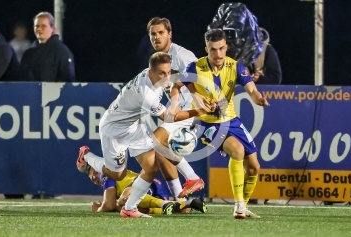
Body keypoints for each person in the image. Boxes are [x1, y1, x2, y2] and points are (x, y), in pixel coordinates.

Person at [76, 52, 214, 218]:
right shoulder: (146, 94)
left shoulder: (159, 74)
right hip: (113, 130)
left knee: (151, 167)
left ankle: (129, 209)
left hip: (134, 126)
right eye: (162, 73)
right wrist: (199, 110)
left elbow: (179, 76)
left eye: (168, 72)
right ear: (151, 72)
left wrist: (194, 95)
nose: (166, 76)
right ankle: (87, 156)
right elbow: (171, 118)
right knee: (117, 174)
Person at [173, 29, 269, 219]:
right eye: (213, 50)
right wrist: (194, 95)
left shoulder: (236, 67)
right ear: (206, 49)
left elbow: (252, 90)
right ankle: (239, 206)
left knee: (254, 167)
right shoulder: (195, 67)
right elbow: (176, 85)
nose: (218, 54)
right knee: (237, 150)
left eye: (221, 49)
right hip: (207, 124)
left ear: (226, 47)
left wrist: (257, 98)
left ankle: (245, 205)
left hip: (231, 120)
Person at [146, 17, 204, 200]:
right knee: (161, 151)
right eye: (153, 34)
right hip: (180, 113)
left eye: (161, 33)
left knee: (156, 140)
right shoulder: (159, 60)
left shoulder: (181, 55)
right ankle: (181, 200)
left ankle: (193, 177)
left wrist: (200, 102)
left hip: (192, 112)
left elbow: (201, 75)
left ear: (170, 34)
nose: (157, 37)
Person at [81, 164, 207, 214]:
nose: (94, 177)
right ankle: (189, 203)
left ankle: (164, 203)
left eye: (95, 173)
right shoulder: (111, 178)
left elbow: (109, 205)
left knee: (124, 201)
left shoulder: (105, 172)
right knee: (144, 209)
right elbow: (112, 205)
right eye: (92, 179)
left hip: (139, 185)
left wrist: (99, 208)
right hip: (149, 186)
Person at [18, 12, 75, 82]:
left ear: (52, 29)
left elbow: (67, 79)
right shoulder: (28, 53)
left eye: (43, 26)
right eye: (37, 26)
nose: (39, 29)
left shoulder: (62, 51)